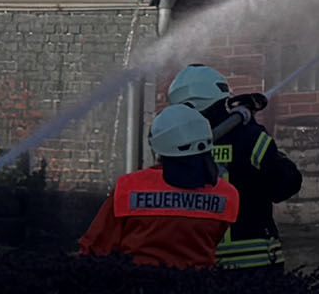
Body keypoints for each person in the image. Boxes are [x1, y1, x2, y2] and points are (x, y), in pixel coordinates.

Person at [168, 64, 302, 271]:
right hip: (253, 261)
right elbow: (287, 183)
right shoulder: (249, 138)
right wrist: (250, 125)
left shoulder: (172, 146)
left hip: (195, 264)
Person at [79, 103, 239, 269]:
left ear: (158, 145)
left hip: (138, 281)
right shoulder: (227, 194)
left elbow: (96, 246)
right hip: (197, 282)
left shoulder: (129, 187)